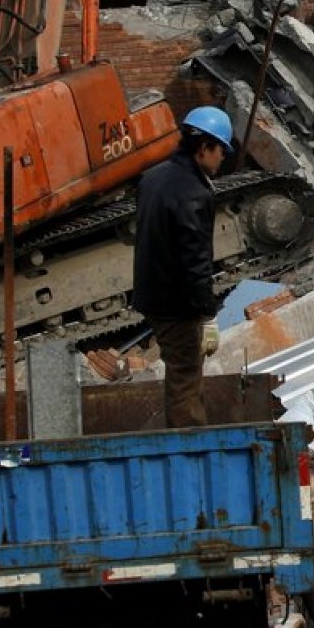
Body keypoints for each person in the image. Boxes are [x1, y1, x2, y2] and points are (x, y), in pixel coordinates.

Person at [132, 106, 230, 428]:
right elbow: (195, 261)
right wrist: (207, 313)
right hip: (177, 305)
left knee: (180, 372)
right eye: (220, 152)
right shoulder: (194, 194)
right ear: (204, 149)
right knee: (185, 377)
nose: (222, 160)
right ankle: (190, 447)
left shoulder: (152, 177)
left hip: (152, 296)